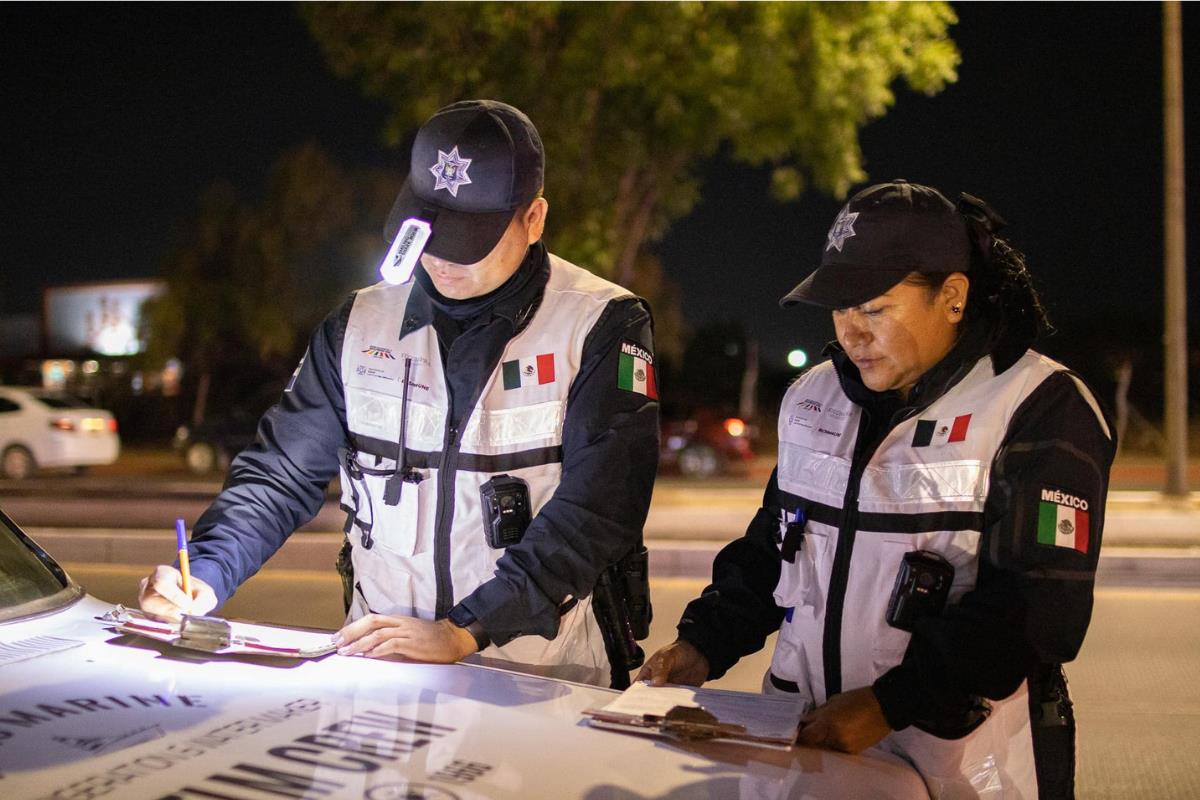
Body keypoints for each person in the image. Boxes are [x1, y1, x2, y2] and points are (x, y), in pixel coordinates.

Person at [139, 100, 659, 687]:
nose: (440, 256)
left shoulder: (599, 324)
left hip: (540, 678)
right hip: (382, 669)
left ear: (534, 219)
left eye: (470, 238)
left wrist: (467, 629)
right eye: (428, 228)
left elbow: (598, 511)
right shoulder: (357, 324)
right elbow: (281, 472)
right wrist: (206, 571)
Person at [639, 180, 1114, 798]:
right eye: (840, 306)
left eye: (875, 308)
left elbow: (1041, 610)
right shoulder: (813, 397)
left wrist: (890, 704)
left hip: (965, 768)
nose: (852, 331)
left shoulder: (1040, 407)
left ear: (952, 297)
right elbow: (772, 549)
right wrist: (703, 641)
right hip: (806, 749)